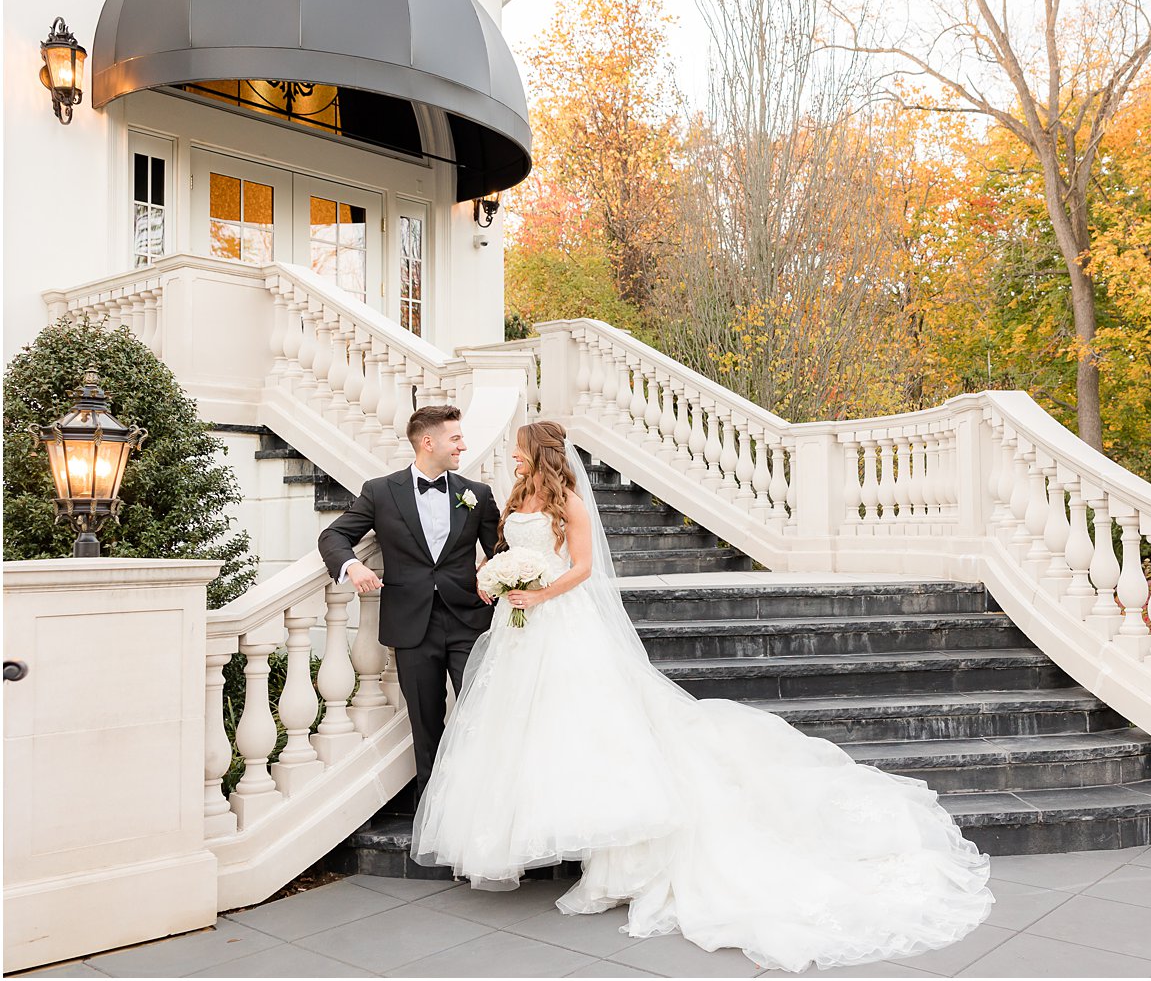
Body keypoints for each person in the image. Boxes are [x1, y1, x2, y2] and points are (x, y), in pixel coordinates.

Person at [412, 420, 993, 972]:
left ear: (537, 451)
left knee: (589, 732)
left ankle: (614, 864)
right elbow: (507, 552)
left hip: (562, 623)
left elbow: (584, 568)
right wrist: (499, 577)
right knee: (530, 734)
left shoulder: (572, 505)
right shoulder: (513, 502)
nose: (510, 454)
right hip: (520, 636)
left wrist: (539, 596)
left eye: (518, 447)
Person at [317, 405, 501, 800]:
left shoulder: (478, 494)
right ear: (428, 442)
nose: (463, 446)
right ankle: (432, 821)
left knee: (482, 714)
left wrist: (495, 572)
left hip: (469, 620)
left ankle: (482, 805)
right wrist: (352, 566)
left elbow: (500, 549)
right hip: (412, 626)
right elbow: (333, 537)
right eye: (456, 438)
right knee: (425, 725)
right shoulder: (381, 491)